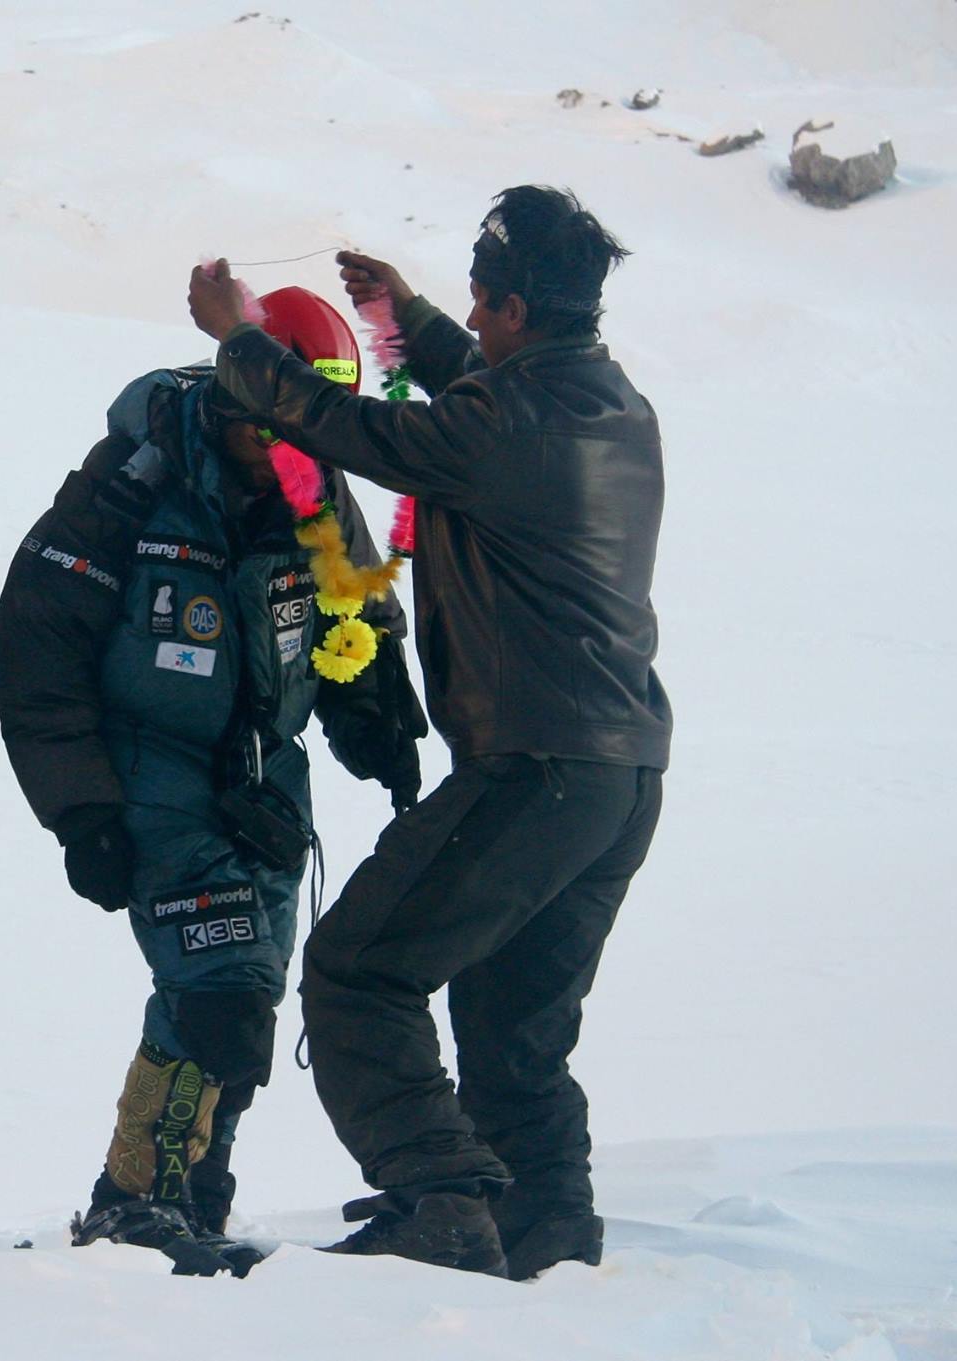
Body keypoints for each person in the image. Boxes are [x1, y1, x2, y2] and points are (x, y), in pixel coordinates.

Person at [187, 185, 671, 1279]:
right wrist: (407, 317)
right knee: (512, 1026)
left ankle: (441, 1198)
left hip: (533, 768)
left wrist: (242, 342)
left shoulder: (499, 424)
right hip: (618, 773)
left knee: (360, 968)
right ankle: (545, 1239)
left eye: (476, 297)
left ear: (506, 305)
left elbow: (354, 429)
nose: (470, 309)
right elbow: (488, 396)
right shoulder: (609, 401)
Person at [0, 288, 426, 1277]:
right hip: (149, 772)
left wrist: (377, 724)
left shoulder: (312, 486)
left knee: (245, 1005)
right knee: (216, 991)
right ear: (237, 393)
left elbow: (351, 620)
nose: (298, 441)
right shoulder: (131, 481)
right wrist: (82, 808)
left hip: (265, 779)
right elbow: (37, 642)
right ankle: (131, 1203)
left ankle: (183, 1200)